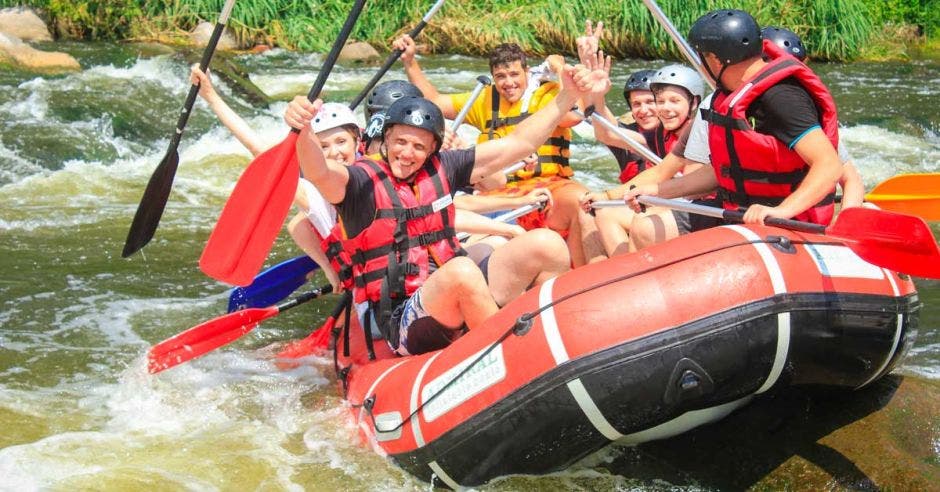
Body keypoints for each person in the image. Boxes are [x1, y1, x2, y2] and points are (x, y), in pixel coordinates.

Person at [289, 64, 603, 356]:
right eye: (400, 142)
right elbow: (319, 173)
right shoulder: (358, 181)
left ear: (434, 149)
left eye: (419, 146)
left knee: (546, 245)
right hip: (399, 316)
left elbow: (518, 144)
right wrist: (303, 131)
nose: (407, 154)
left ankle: (558, 343)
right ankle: (512, 359)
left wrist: (567, 96)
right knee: (461, 272)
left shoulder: (444, 167)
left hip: (450, 288)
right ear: (385, 139)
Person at [619, 9, 843, 235]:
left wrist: (782, 210)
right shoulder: (730, 95)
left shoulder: (781, 98)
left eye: (702, 56)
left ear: (715, 60)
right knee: (645, 230)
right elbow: (720, 173)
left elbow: (829, 165)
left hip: (786, 219)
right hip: (736, 209)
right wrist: (658, 191)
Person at [392, 34, 604, 266]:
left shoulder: (548, 94)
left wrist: (561, 69)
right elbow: (433, 101)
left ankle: (586, 273)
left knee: (582, 202)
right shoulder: (485, 99)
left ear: (527, 73)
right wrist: (410, 61)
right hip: (498, 189)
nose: (508, 83)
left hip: (548, 183)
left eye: (514, 74)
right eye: (501, 76)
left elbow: (575, 115)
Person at [581, 62, 707, 256]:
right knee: (605, 214)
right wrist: (606, 196)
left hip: (704, 209)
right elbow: (658, 172)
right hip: (671, 201)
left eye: (674, 101)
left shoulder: (700, 131)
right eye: (661, 101)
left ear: (694, 102)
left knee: (643, 224)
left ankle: (631, 274)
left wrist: (650, 195)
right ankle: (624, 272)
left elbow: (690, 189)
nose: (666, 108)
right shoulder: (660, 134)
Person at [761, 25, 867, 209]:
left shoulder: (806, 117)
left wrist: (844, 222)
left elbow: (851, 180)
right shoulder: (724, 108)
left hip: (794, 219)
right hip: (743, 214)